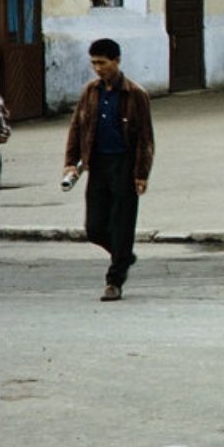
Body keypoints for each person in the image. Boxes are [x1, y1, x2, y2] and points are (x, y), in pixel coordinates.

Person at [61, 36, 154, 301]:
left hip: (124, 164)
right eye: (94, 63)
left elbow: (145, 138)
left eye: (103, 63)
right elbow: (77, 128)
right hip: (98, 164)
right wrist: (71, 161)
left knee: (122, 223)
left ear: (116, 61)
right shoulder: (91, 91)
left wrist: (141, 174)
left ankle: (114, 282)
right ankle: (123, 255)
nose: (98, 68)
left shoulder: (136, 94)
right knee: (94, 226)